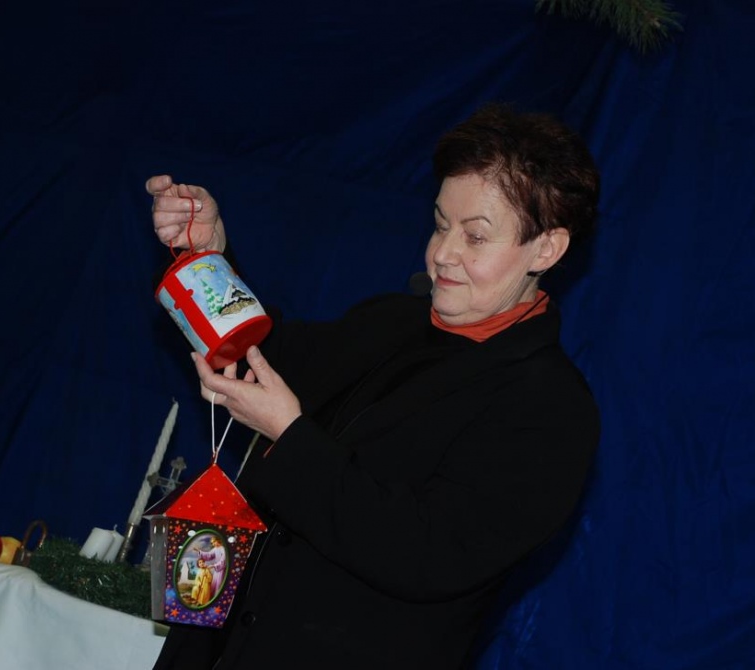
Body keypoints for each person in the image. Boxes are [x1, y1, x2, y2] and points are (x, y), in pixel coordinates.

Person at [147, 102, 601, 670]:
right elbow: (267, 356)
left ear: (547, 249)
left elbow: (427, 553)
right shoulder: (392, 320)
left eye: (475, 236)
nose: (443, 254)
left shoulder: (551, 409)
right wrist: (210, 259)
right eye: (440, 224)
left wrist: (289, 436)